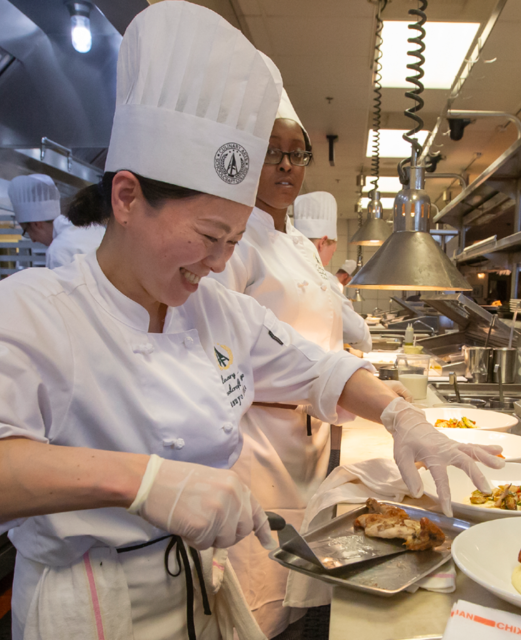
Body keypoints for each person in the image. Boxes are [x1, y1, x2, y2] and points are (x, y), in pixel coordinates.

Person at [0, 5, 503, 640]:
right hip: (94, 609)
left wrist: (401, 416)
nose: (219, 261)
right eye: (207, 235)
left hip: (203, 592)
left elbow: (320, 369)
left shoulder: (217, 310)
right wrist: (142, 481)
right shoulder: (37, 310)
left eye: (232, 240)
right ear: (126, 199)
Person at [208, 104, 381, 632]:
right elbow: (223, 349)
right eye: (271, 154)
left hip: (310, 435)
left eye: (296, 154)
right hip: (258, 436)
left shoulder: (302, 246)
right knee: (259, 574)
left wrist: (358, 382)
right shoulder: (236, 243)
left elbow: (324, 332)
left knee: (302, 573)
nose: (287, 166)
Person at [294, 192, 373, 353]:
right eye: (333, 250)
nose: (331, 257)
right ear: (322, 243)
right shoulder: (322, 280)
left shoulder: (281, 266)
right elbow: (359, 335)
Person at [8, 174, 106, 269]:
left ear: (36, 224)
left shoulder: (58, 250)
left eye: (27, 232)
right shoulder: (93, 227)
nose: (33, 240)